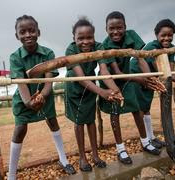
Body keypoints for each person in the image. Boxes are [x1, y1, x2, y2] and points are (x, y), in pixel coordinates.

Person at [8, 15, 76, 180]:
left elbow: (48, 81)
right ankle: (11, 174)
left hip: (44, 96)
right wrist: (28, 102)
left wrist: (42, 97)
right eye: (22, 32)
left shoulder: (48, 53)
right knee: (19, 130)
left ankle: (63, 159)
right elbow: (21, 83)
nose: (28, 34)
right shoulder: (15, 57)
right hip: (24, 99)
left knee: (52, 122)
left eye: (31, 30)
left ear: (38, 32)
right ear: (17, 36)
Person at [99, 11, 163, 165]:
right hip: (112, 81)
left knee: (136, 109)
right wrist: (141, 80)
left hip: (127, 79)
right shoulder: (105, 45)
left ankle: (145, 141)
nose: (116, 31)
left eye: (119, 27)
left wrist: (150, 78)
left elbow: (141, 59)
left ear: (125, 27)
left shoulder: (132, 35)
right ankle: (120, 149)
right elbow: (117, 72)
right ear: (106, 29)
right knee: (115, 113)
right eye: (111, 28)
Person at [65, 17, 123, 172]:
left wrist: (115, 90)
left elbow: (103, 71)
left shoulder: (99, 47)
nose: (85, 42)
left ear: (94, 36)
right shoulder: (70, 50)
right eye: (80, 38)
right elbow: (82, 78)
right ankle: (83, 158)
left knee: (90, 121)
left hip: (91, 90)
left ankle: (95, 155)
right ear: (74, 38)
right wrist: (102, 92)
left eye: (89, 37)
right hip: (75, 90)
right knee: (79, 122)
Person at [130, 19, 175, 147]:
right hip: (138, 76)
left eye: (170, 35)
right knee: (140, 108)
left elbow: (171, 70)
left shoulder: (171, 49)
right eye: (163, 35)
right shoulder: (152, 47)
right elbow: (163, 71)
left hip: (152, 77)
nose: (167, 38)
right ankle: (145, 140)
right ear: (157, 35)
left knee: (146, 107)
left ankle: (151, 137)